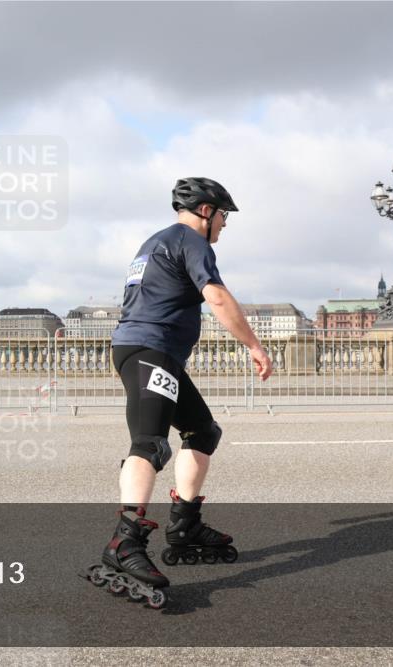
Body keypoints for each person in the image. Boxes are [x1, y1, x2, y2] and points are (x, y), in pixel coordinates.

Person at [95, 177, 273, 603]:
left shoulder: (154, 242)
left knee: (202, 431)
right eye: (224, 215)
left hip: (151, 352)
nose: (225, 224)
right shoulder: (192, 241)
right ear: (206, 212)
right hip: (150, 350)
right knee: (150, 444)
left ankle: (184, 524)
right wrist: (254, 345)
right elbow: (218, 298)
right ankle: (125, 542)